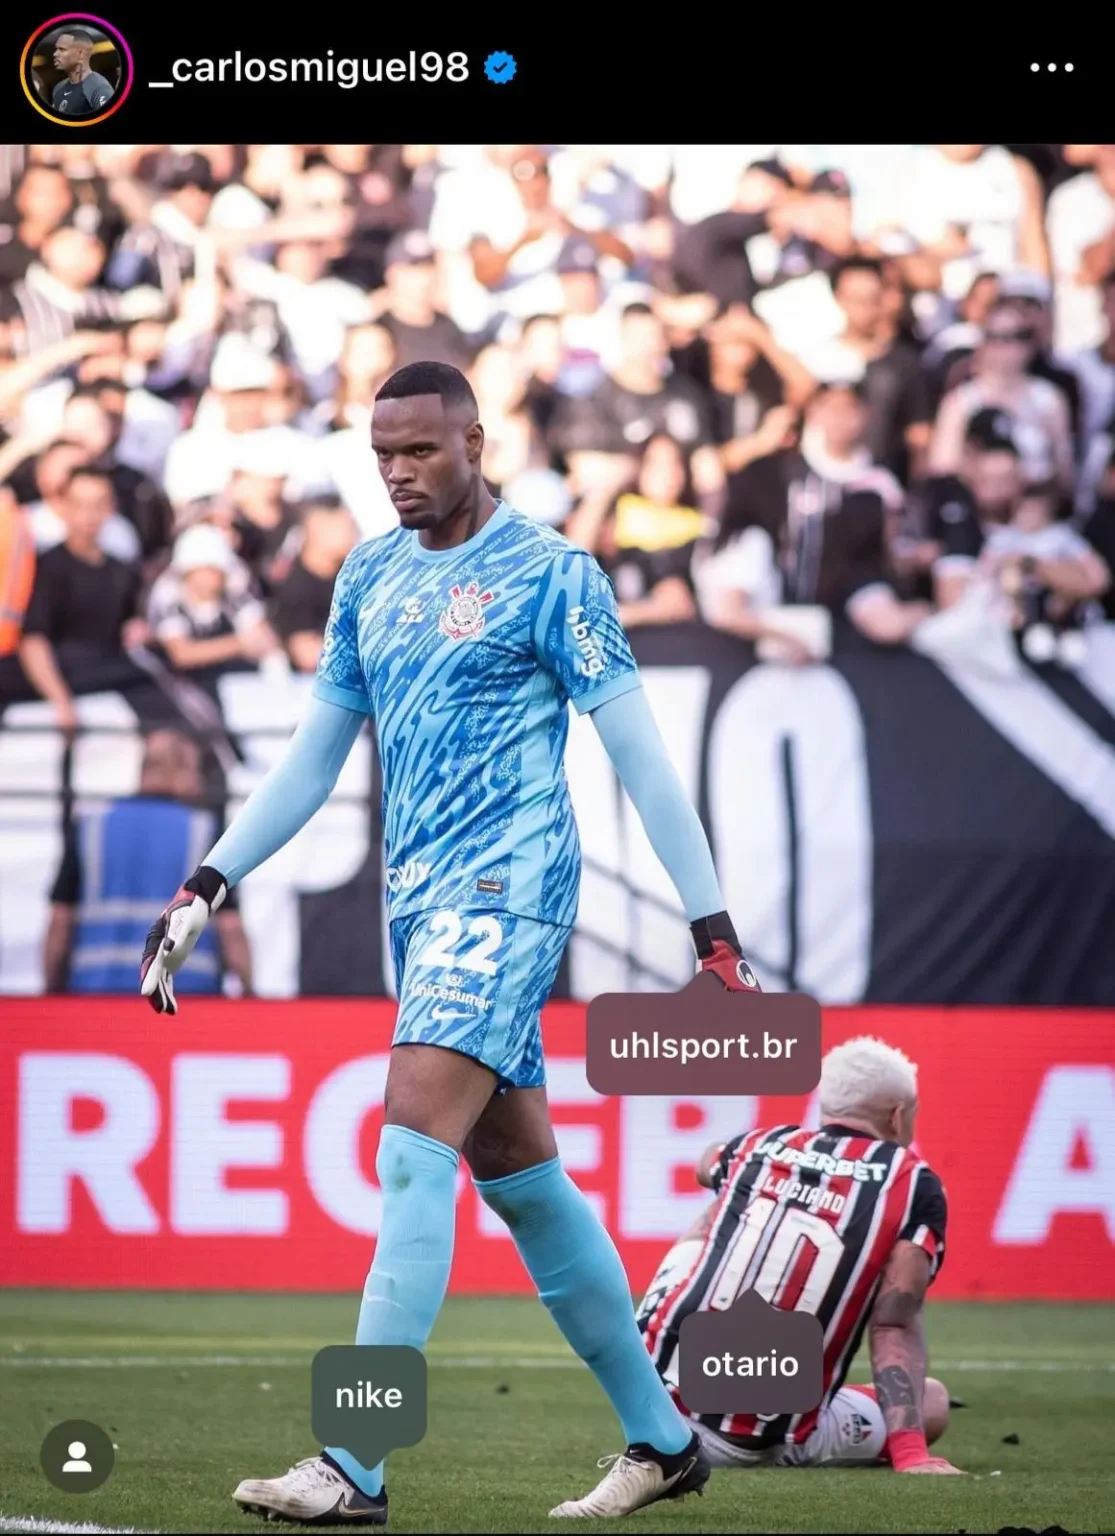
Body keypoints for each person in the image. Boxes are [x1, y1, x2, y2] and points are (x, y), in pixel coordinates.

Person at [139, 359, 765, 1525]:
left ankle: (353, 1461)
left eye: (420, 450)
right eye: (382, 452)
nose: (397, 472)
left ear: (476, 443)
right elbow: (314, 759)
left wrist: (709, 924)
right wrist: (210, 879)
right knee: (520, 1180)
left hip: (510, 887)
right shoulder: (367, 576)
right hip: (420, 903)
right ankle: (663, 1438)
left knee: (410, 1144)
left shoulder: (551, 574)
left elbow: (637, 754)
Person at [637, 1036, 962, 1475]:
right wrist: (911, 1454)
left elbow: (705, 1163)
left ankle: (643, 1353)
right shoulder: (912, 1184)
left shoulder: (756, 1146)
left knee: (721, 1207)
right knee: (934, 1400)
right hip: (745, 1439)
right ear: (898, 1115)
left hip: (648, 1405)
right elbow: (893, 1323)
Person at [44, 728, 252, 996]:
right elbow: (230, 927)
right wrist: (249, 991)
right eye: (195, 771)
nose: (200, 783)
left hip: (95, 996)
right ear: (177, 770)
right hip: (185, 996)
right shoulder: (204, 832)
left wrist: (50, 991)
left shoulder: (89, 826)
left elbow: (60, 922)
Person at [269, 496, 359, 672]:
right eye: (345, 528)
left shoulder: (351, 578)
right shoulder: (296, 589)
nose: (353, 535)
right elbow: (309, 656)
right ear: (317, 530)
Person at [50, 30, 114, 117]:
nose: (55, 54)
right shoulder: (59, 88)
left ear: (80, 54)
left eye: (62, 49)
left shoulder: (98, 88)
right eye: (56, 49)